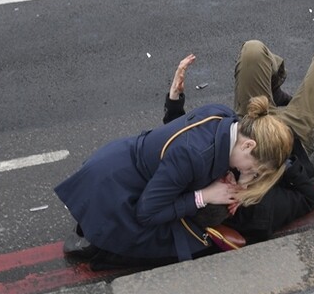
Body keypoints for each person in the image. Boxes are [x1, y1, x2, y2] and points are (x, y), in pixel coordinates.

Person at [56, 95, 294, 268]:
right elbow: (147, 213)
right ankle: (98, 245)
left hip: (118, 166)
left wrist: (232, 176)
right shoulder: (192, 156)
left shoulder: (226, 117)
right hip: (115, 193)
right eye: (252, 169)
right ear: (248, 145)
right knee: (188, 247)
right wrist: (205, 196)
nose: (248, 175)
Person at [163, 54, 314, 244]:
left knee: (252, 52)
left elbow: (182, 145)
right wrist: (283, 162)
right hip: (286, 140)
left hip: (255, 127)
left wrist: (174, 101)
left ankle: (275, 91)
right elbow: (309, 197)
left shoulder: (216, 173)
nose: (227, 175)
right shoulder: (262, 214)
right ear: (230, 203)